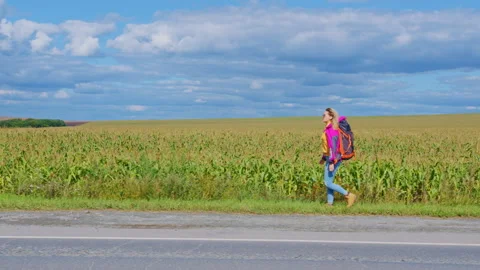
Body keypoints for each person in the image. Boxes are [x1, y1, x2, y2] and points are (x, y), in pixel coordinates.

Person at [319, 108, 357, 207]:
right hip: (329, 158)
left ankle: (349, 195)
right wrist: (324, 158)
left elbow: (334, 147)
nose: (322, 117)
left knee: (327, 183)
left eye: (324, 115)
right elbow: (327, 146)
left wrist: (332, 161)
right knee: (329, 182)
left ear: (331, 117)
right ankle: (330, 203)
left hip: (334, 159)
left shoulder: (332, 129)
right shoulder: (328, 128)